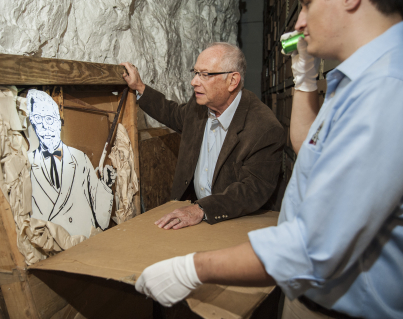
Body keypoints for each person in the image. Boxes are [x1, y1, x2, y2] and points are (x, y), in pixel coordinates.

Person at [135, 0, 403, 318]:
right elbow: (309, 147)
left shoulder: (386, 88)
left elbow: (313, 245)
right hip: (305, 290)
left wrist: (191, 269)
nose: (300, 22)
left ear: (232, 81)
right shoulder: (360, 77)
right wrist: (303, 81)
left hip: (345, 304)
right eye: (195, 73)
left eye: (306, 4)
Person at [121, 43, 284, 230]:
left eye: (205, 75)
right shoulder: (198, 105)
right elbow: (173, 113)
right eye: (195, 72)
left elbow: (253, 189)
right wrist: (139, 87)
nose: (194, 82)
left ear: (232, 81)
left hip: (235, 222)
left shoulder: (265, 128)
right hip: (195, 217)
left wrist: (201, 209)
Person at [27, 89, 116, 238]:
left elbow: (102, 219)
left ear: (58, 121)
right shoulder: (27, 164)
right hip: (52, 248)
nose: (44, 127)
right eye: (38, 119)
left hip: (85, 241)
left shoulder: (79, 158)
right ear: (33, 123)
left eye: (49, 119)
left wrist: (106, 185)